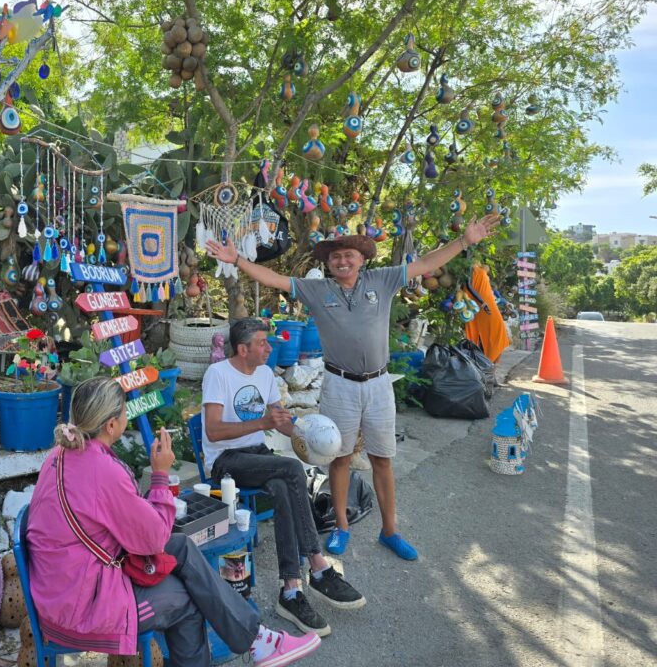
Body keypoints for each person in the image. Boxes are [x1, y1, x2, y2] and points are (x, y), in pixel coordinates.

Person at [206, 214, 500, 563]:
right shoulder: (318, 290)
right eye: (335, 257)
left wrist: (464, 241)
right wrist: (238, 260)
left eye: (349, 255)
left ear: (362, 259)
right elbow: (275, 278)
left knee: (382, 459)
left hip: (378, 385)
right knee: (340, 458)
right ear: (328, 264)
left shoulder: (382, 280)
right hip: (339, 384)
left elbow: (424, 264)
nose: (342, 261)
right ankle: (341, 526)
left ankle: (390, 530)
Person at [25, 376, 322, 667]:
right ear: (111, 425)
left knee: (180, 546)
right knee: (188, 600)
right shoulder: (103, 470)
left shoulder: (61, 453)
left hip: (62, 589)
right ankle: (257, 640)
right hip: (83, 609)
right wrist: (160, 475)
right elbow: (154, 538)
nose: (127, 415)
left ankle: (258, 640)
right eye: (125, 410)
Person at [201, 318, 366, 638]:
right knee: (291, 470)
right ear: (243, 349)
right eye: (262, 343)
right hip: (225, 461)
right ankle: (318, 565)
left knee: (283, 486)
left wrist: (312, 435)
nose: (269, 348)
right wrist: (261, 423)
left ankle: (290, 590)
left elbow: (280, 422)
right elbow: (213, 431)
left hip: (257, 455)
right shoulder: (218, 374)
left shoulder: (264, 374)